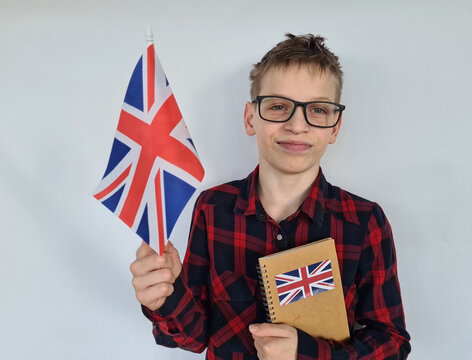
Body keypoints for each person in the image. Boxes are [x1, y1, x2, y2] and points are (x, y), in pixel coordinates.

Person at [130, 33, 411, 360]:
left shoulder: (364, 222)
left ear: (335, 127)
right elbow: (194, 338)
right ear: (251, 118)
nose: (296, 124)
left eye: (318, 110)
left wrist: (305, 353)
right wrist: (164, 297)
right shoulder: (213, 208)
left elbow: (392, 343)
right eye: (278, 106)